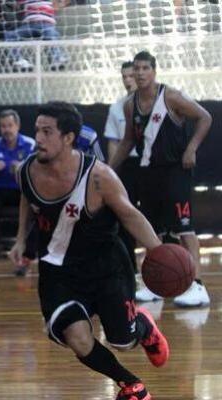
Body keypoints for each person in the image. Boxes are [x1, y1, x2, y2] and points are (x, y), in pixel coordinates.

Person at [9, 102, 169, 400]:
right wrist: (20, 238)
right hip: (58, 272)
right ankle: (130, 384)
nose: (38, 138)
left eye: (47, 132)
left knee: (123, 341)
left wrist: (160, 253)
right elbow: (27, 200)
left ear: (68, 137)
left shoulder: (99, 177)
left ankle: (143, 326)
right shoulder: (26, 171)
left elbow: (130, 215)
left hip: (106, 268)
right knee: (78, 339)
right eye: (37, 131)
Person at [109, 51, 213, 308]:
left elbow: (205, 117)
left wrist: (191, 148)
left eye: (145, 68)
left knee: (184, 228)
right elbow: (128, 140)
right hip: (148, 172)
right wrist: (108, 169)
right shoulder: (130, 105)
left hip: (175, 171)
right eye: (137, 68)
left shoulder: (171, 96)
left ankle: (197, 285)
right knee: (150, 230)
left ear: (154, 71)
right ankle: (153, 283)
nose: (140, 72)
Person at [0, 109, 35, 263]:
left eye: (10, 126)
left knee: (35, 201)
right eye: (3, 126)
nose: (7, 130)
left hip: (21, 190)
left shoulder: (30, 144)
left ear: (17, 126)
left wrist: (21, 169)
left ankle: (28, 246)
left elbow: (38, 172)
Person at [104, 61, 139, 274]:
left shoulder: (159, 103)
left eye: (131, 76)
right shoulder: (117, 107)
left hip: (152, 165)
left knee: (156, 217)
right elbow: (113, 142)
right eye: (124, 76)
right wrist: (112, 171)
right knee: (126, 215)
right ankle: (131, 270)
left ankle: (164, 268)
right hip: (126, 165)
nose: (127, 80)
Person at [4, 0, 69, 70]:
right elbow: (15, 4)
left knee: (52, 34)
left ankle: (57, 59)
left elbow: (64, 3)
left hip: (46, 24)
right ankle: (19, 61)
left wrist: (60, 4)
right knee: (11, 35)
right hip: (29, 25)